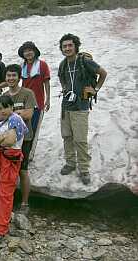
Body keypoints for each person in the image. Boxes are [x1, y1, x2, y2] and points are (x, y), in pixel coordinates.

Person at [58, 33, 107, 185]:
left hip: (81, 106)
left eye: (70, 45)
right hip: (66, 106)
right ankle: (71, 163)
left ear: (75, 46)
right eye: (64, 46)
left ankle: (84, 169)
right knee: (67, 136)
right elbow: (61, 78)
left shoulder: (84, 61)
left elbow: (103, 73)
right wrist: (66, 89)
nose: (67, 48)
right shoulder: (63, 64)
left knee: (80, 139)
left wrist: (96, 89)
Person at [0, 95, 27, 246]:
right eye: (0, 108)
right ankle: (1, 220)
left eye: (5, 107)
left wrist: (2, 139)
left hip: (10, 160)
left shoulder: (15, 119)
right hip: (2, 157)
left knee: (5, 193)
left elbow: (11, 141)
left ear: (12, 107)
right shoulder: (4, 122)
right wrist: (2, 138)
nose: (3, 110)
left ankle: (1, 229)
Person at [4, 64, 36, 215]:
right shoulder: (3, 96)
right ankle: (7, 201)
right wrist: (18, 113)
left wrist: (9, 113)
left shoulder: (27, 93)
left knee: (23, 171)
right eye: (8, 76)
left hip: (24, 138)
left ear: (19, 77)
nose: (11, 78)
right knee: (8, 171)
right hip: (8, 140)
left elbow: (29, 115)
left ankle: (25, 203)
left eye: (14, 75)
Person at [18, 41, 51, 161]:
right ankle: (22, 153)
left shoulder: (42, 65)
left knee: (34, 129)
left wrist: (48, 99)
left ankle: (29, 155)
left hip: (38, 103)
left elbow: (46, 82)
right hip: (24, 104)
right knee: (24, 129)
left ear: (35, 51)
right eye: (25, 51)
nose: (28, 53)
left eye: (30, 50)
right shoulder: (22, 66)